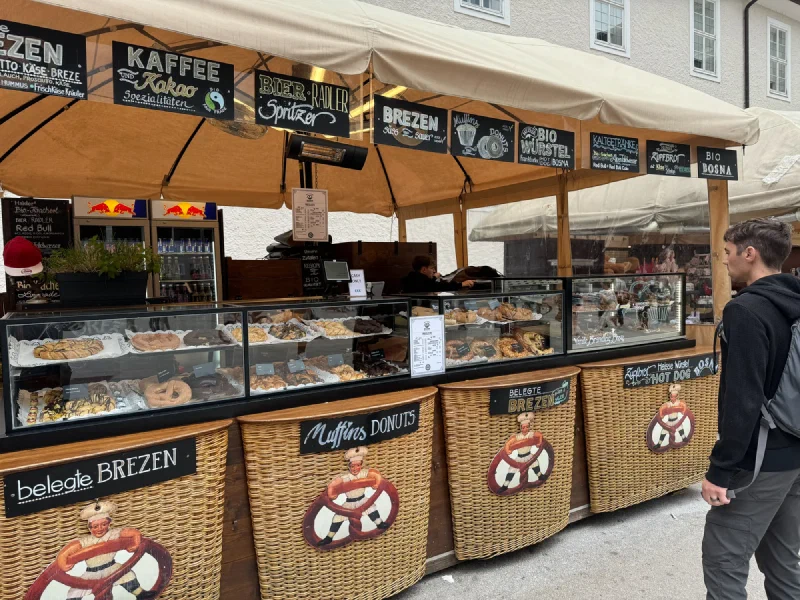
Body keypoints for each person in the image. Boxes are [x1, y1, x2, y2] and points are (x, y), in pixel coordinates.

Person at [701, 218, 800, 600]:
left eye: (727, 253)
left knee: (724, 557)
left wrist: (720, 471)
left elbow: (742, 401)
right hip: (795, 454)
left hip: (760, 461)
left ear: (750, 253)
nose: (724, 261)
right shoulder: (794, 301)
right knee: (782, 559)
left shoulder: (746, 311)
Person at [56, 501, 150, 598]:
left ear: (109, 524)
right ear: (90, 528)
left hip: (112, 567)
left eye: (104, 524)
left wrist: (136, 540)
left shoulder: (112, 534)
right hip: (92, 573)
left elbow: (131, 532)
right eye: (95, 526)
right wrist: (62, 560)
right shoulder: (87, 541)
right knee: (75, 591)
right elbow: (72, 547)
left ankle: (141, 594)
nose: (100, 529)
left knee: (127, 575)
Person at [317, 446, 389, 547]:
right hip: (349, 502)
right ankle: (329, 537)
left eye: (357, 465)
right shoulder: (346, 477)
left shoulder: (364, 473)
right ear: (349, 467)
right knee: (337, 518)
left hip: (362, 499)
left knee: (371, 508)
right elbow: (334, 483)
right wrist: (331, 493)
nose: (355, 469)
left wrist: (377, 483)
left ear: (361, 465)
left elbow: (375, 473)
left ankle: (379, 523)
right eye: (352, 466)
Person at [400, 255, 475, 293]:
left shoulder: (411, 279)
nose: (434, 271)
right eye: (432, 268)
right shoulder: (419, 281)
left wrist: (434, 278)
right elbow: (439, 286)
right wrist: (462, 284)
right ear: (424, 269)